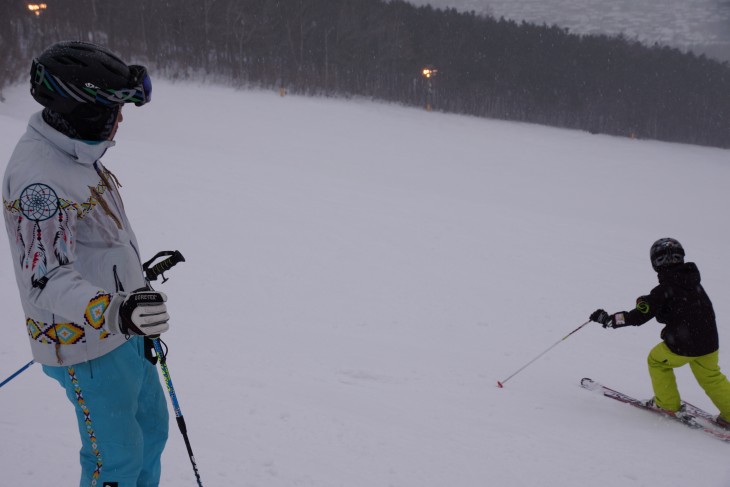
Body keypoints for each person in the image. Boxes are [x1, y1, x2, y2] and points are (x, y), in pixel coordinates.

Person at [2, 41, 171, 486]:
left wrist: (131, 284)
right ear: (83, 112)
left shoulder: (75, 153)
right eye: (115, 111)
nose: (120, 123)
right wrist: (116, 309)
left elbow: (92, 242)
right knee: (115, 459)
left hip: (121, 331)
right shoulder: (38, 179)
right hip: (86, 346)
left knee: (150, 434)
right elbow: (43, 278)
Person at [590, 238, 730, 429]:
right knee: (711, 376)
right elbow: (681, 309)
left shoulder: (664, 289)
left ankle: (667, 404)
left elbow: (638, 317)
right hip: (709, 343)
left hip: (683, 344)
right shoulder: (693, 281)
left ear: (655, 263)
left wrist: (609, 320)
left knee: (656, 361)